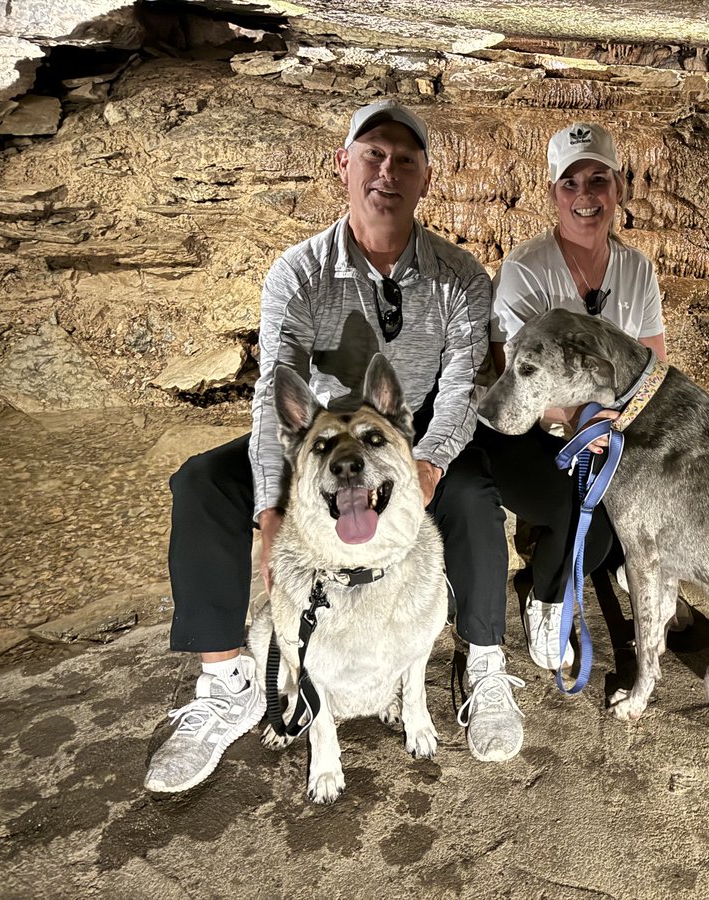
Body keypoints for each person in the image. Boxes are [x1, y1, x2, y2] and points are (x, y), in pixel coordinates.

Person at [145, 100, 519, 791]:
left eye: (405, 160)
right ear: (342, 165)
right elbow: (272, 394)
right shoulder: (298, 272)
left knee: (474, 498)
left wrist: (429, 464)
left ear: (426, 178)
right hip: (316, 440)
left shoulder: (460, 277)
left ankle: (484, 663)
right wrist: (270, 508)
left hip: (412, 436)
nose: (387, 171)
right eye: (372, 155)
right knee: (201, 484)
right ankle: (227, 682)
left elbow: (467, 384)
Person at [478, 121, 668, 679]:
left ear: (618, 189)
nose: (585, 196)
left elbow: (654, 366)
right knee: (592, 518)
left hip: (612, 425)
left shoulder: (637, 269)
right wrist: (592, 423)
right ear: (553, 194)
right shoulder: (525, 271)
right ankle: (546, 599)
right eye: (570, 184)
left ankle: (652, 573)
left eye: (598, 180)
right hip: (531, 428)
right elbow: (513, 377)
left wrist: (620, 424)